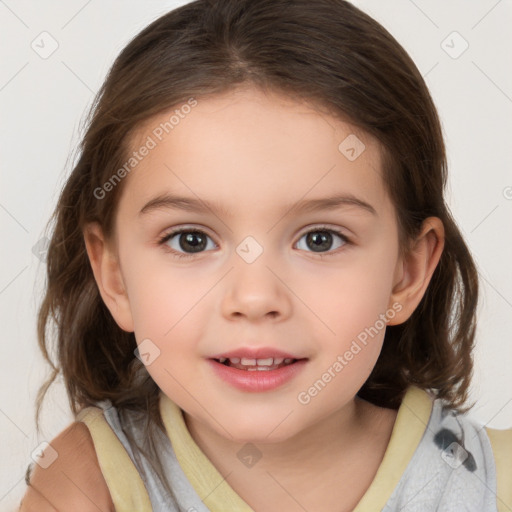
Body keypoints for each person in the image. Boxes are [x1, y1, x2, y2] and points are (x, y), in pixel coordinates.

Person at [19, 0, 512, 511]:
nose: (255, 298)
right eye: (191, 240)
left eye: (321, 239)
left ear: (405, 273)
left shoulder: (492, 485)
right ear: (115, 276)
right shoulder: (88, 483)